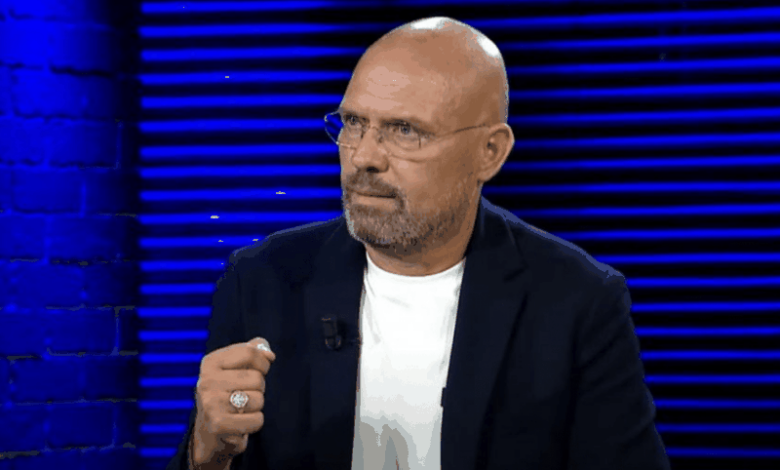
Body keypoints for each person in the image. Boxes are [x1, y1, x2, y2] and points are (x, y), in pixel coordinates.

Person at [166, 16, 672, 470]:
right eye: (354, 123)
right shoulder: (262, 281)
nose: (363, 157)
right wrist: (206, 455)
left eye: (404, 131)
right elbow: (214, 455)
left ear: (489, 152)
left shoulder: (576, 301)